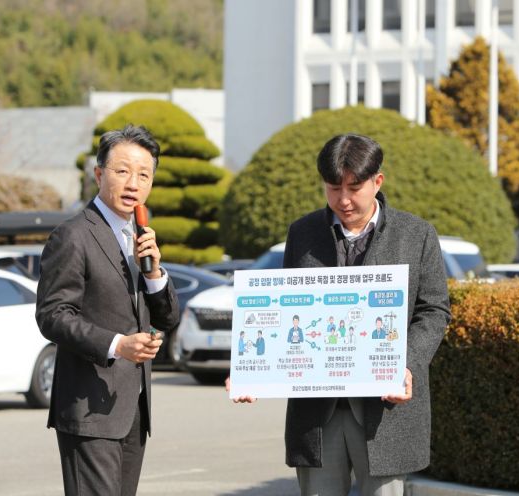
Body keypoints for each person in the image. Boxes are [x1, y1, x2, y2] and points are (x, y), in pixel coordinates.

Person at [230, 134, 451, 496]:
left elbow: (434, 310)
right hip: (317, 414)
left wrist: (407, 364)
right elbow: (283, 310)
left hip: (385, 412)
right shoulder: (303, 233)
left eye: (354, 187)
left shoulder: (416, 234)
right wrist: (253, 372)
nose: (344, 200)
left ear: (377, 181)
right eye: (334, 188)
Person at [36, 124, 180, 496]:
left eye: (144, 175)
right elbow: (53, 315)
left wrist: (155, 274)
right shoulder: (73, 235)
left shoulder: (141, 235)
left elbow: (168, 318)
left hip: (133, 407)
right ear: (99, 174)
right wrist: (118, 344)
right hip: (89, 407)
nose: (134, 184)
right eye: (123, 171)